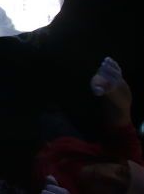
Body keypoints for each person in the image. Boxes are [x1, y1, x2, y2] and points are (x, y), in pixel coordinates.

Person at [36, 57, 144, 194]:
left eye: (117, 190)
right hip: (61, 142)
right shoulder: (135, 162)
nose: (107, 177)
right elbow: (123, 125)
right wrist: (112, 88)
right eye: (121, 172)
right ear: (121, 162)